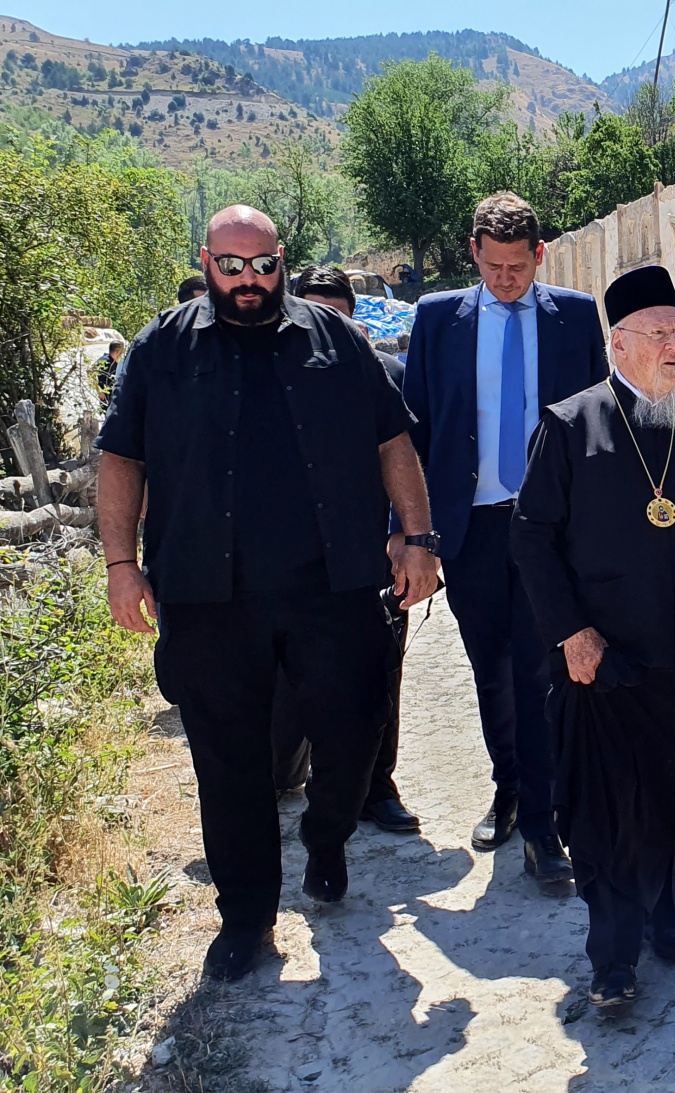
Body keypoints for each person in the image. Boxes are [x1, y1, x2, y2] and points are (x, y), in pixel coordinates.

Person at [97, 206, 439, 982]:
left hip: (334, 585)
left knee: (354, 731)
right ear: (206, 261)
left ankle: (327, 833)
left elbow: (394, 441)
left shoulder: (336, 339)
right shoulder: (160, 350)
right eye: (230, 265)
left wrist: (416, 538)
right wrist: (122, 563)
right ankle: (246, 916)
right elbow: (120, 458)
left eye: (261, 265)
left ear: (281, 260)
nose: (247, 281)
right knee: (229, 763)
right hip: (208, 595)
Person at [512, 265, 675, 1009]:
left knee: (670, 791)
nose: (674, 346)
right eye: (657, 334)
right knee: (609, 805)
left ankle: (664, 911)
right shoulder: (570, 425)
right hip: (605, 657)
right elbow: (531, 540)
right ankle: (613, 955)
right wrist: (570, 633)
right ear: (617, 344)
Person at [403, 192, 606, 879]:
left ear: (539, 255)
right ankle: (509, 786)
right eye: (492, 267)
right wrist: (415, 534)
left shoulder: (575, 317)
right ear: (474, 254)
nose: (504, 279)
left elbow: (599, 423)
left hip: (550, 526)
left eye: (516, 267)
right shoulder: (438, 319)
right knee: (490, 665)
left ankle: (544, 827)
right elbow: (418, 430)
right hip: (473, 525)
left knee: (540, 668)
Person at [268, 264, 420, 834]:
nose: (326, 324)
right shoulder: (266, 375)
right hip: (290, 566)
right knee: (284, 677)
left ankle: (376, 788)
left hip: (375, 560)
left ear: (355, 316)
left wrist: (413, 540)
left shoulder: (388, 375)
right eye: (313, 311)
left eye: (338, 313)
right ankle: (283, 776)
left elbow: (410, 463)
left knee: (378, 676)